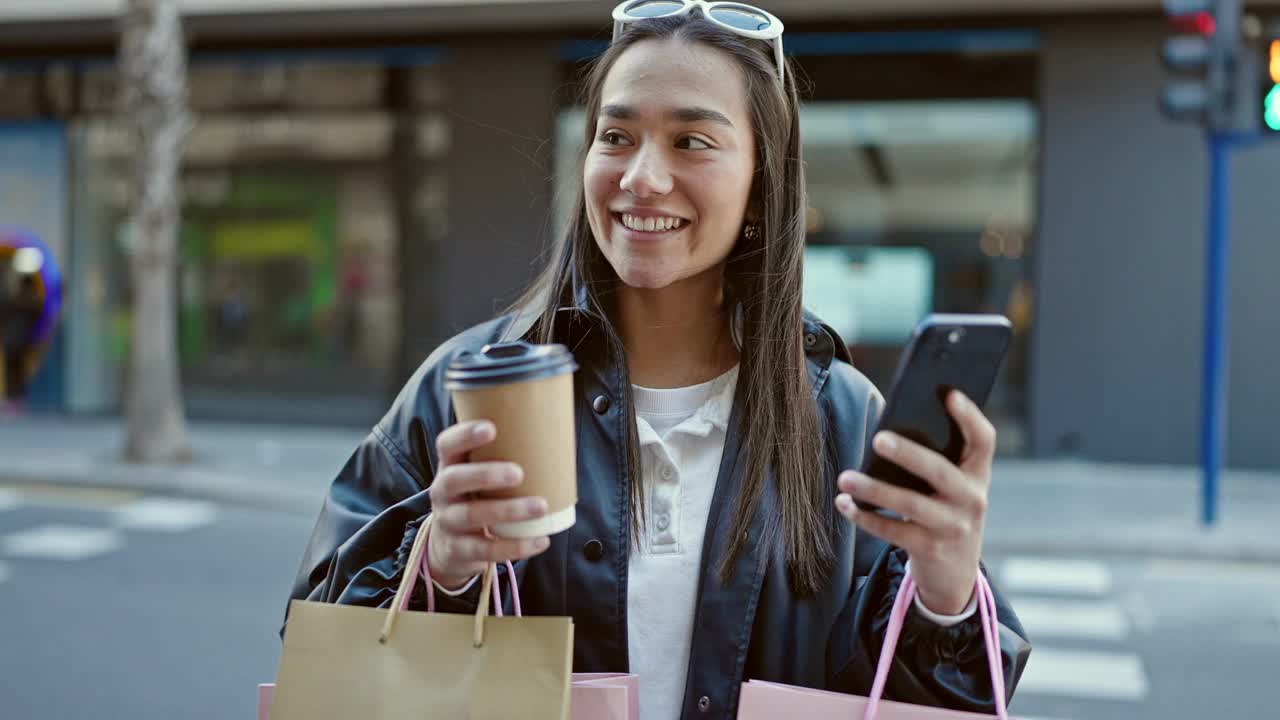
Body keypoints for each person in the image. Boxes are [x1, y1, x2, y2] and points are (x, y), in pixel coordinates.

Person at [287, 3, 1031, 719]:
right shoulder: (473, 385)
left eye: (692, 142)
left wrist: (945, 590)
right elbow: (319, 645)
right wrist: (438, 564)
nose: (642, 177)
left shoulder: (844, 418)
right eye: (617, 136)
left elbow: (922, 701)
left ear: (759, 185)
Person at [1, 271, 42, 406]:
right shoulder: (34, 302)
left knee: (12, 371)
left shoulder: (13, 300)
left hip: (11, 339)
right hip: (24, 340)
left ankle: (12, 399)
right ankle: (18, 399)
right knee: (20, 371)